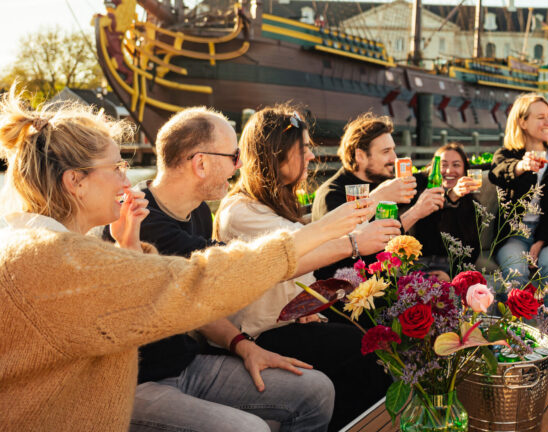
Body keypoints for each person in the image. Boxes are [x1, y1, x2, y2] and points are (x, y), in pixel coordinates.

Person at [0, 91, 371, 430]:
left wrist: (128, 245)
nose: (125, 180)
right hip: (136, 385)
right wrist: (324, 234)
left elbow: (142, 301)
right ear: (75, 182)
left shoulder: (48, 243)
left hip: (176, 365)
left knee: (314, 391)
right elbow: (196, 283)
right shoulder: (55, 257)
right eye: (115, 168)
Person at [117, 107, 339, 432]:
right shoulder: (140, 222)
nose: (239, 166)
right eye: (234, 156)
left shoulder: (198, 214)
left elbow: (196, 300)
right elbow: (244, 268)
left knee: (316, 391)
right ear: (201, 163)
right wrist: (346, 237)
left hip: (187, 363)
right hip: (138, 381)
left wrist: (244, 346)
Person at [215, 107, 397, 430]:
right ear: (277, 155)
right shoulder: (240, 211)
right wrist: (355, 241)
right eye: (304, 148)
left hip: (290, 321)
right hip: (260, 335)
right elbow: (292, 254)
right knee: (366, 353)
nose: (312, 156)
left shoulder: (270, 203)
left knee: (373, 336)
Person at [311, 112, 443, 279]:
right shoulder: (332, 194)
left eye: (394, 150)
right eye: (386, 151)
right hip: (346, 293)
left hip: (383, 283)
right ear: (360, 156)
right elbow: (360, 251)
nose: (394, 158)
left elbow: (425, 179)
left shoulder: (377, 181)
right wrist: (415, 213)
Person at [488, 93, 548, 293]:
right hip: (513, 235)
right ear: (523, 122)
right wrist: (521, 166)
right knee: (516, 271)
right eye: (540, 117)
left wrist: (541, 241)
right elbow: (497, 172)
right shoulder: (507, 156)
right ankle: (514, 324)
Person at [407, 142, 482, 279]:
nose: (449, 171)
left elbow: (472, 250)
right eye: (444, 165)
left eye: (456, 165)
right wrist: (450, 197)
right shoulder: (422, 190)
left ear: (465, 169)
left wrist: (451, 275)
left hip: (450, 266)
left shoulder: (473, 205)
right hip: (420, 263)